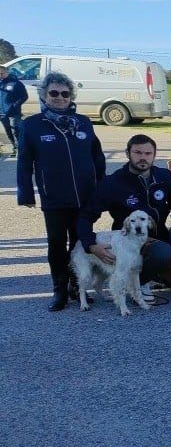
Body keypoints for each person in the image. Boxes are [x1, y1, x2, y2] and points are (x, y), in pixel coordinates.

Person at [16, 72, 106, 311]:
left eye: (65, 94)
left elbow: (96, 156)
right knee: (57, 244)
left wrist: (101, 187)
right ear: (44, 95)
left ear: (71, 97)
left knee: (80, 243)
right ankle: (59, 290)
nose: (59, 98)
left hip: (84, 196)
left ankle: (78, 287)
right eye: (53, 93)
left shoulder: (84, 122)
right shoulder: (32, 125)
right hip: (54, 197)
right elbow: (24, 162)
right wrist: (26, 193)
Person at [77, 134, 171, 301]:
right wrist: (90, 245)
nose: (143, 157)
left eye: (148, 153)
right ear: (127, 154)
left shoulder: (164, 176)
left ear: (154, 155)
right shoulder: (113, 183)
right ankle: (136, 283)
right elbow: (85, 216)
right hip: (128, 241)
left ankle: (156, 273)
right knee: (162, 252)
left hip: (159, 236)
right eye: (138, 152)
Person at [0, 64, 29, 157]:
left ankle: (21, 148)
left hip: (13, 112)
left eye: (2, 73)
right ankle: (14, 147)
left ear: (7, 72)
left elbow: (24, 96)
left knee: (16, 131)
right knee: (8, 131)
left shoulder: (16, 83)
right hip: (1, 112)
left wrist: (14, 105)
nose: (0, 75)